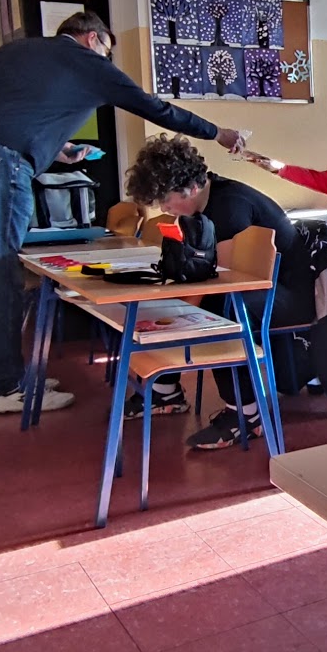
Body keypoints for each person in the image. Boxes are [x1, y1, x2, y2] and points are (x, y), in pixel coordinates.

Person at [0, 11, 245, 415]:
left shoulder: (14, 52)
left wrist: (61, 150)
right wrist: (218, 133)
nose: (106, 58)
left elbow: (7, 113)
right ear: (91, 38)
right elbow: (153, 107)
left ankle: (1, 378)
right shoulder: (86, 61)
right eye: (106, 50)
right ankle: (6, 388)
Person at [124, 134, 296, 450]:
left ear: (191, 187)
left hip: (286, 295)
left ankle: (248, 414)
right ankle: (166, 392)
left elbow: (227, 282)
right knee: (174, 304)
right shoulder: (201, 202)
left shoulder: (229, 207)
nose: (164, 208)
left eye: (166, 200)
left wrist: (175, 315)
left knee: (217, 312)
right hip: (255, 289)